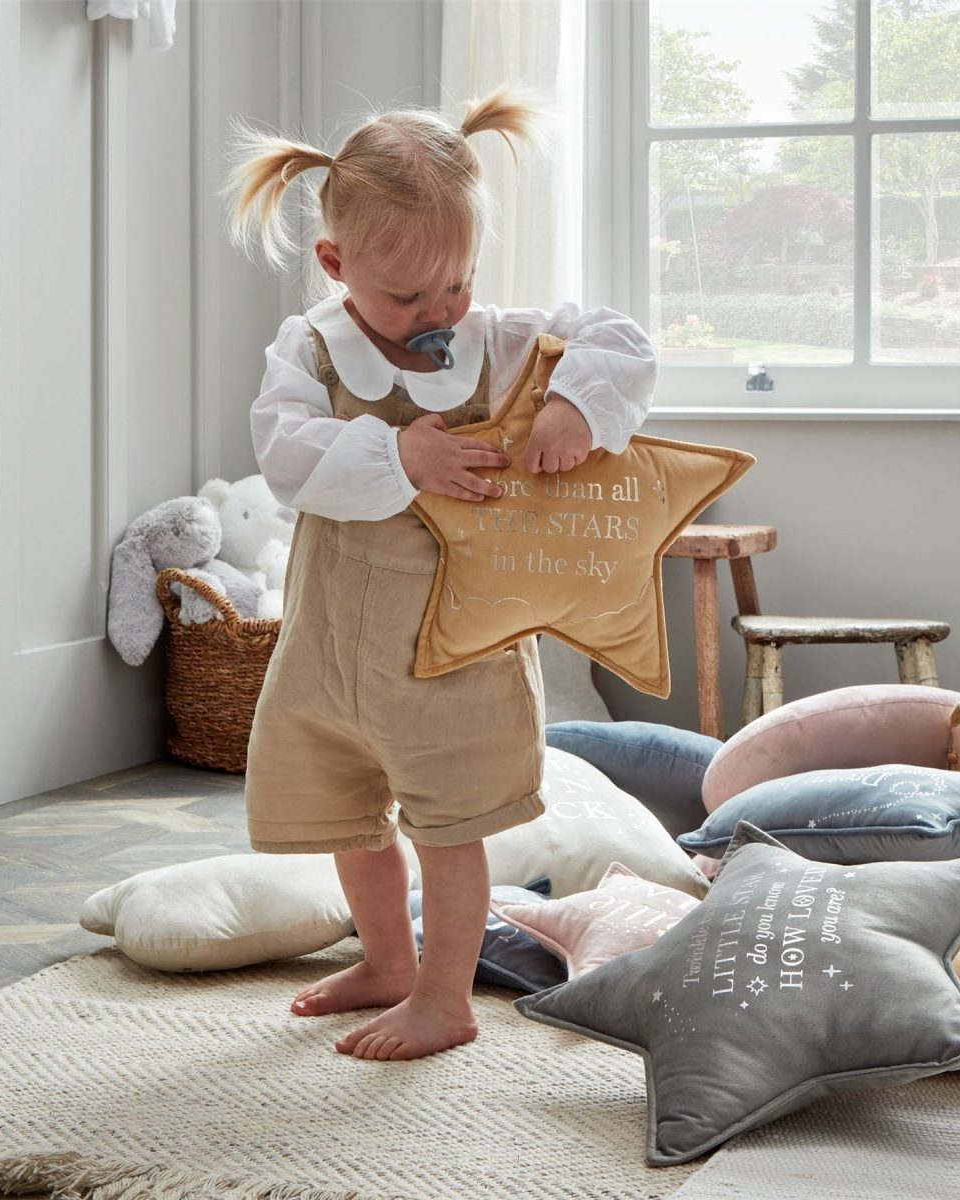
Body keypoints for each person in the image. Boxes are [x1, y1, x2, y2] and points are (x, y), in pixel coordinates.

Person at [220, 82, 658, 1062]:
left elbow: (621, 342)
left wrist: (573, 406)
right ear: (336, 264)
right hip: (332, 644)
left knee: (449, 824)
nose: (437, 313)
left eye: (455, 284)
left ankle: (445, 996)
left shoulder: (493, 339)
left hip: (454, 650)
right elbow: (283, 454)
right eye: (408, 297)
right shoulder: (311, 350)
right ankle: (386, 961)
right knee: (350, 814)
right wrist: (399, 454)